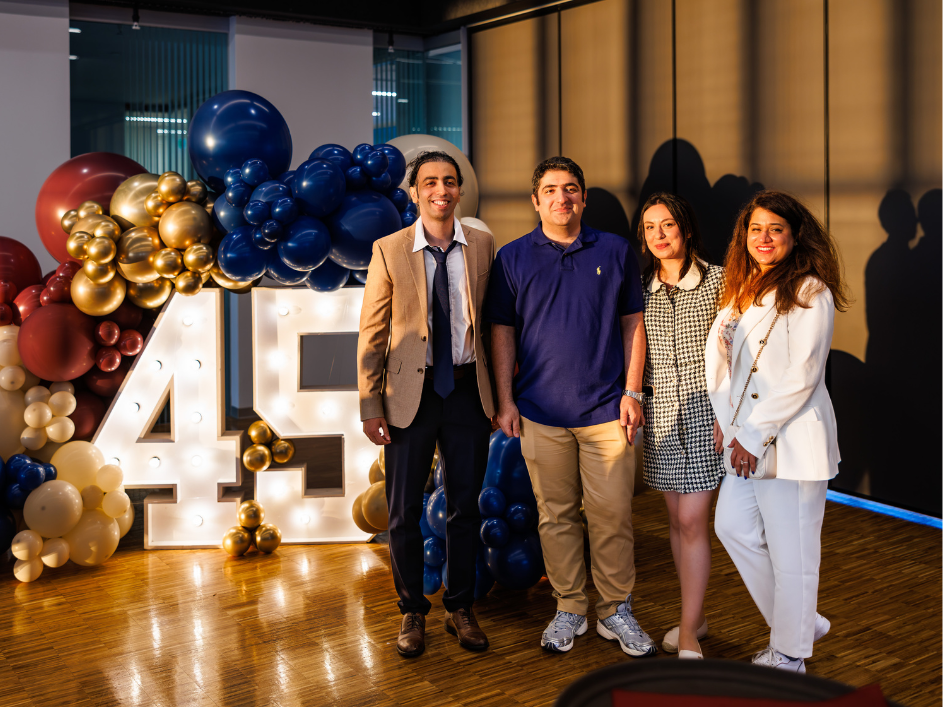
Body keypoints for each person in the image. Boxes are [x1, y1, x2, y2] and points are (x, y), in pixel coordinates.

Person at [485, 156, 656, 657]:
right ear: (536, 200)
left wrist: (632, 390)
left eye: (572, 189)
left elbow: (633, 324)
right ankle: (569, 608)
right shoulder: (513, 258)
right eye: (552, 190)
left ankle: (615, 609)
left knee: (612, 518)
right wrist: (505, 400)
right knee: (555, 517)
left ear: (583, 197)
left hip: (607, 411)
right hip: (540, 412)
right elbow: (502, 332)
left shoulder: (616, 250)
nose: (563, 198)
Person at [357, 150, 496, 658]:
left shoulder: (481, 244)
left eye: (450, 181)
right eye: (430, 182)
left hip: (466, 391)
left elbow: (493, 323)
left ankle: (460, 606)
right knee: (403, 511)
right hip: (406, 397)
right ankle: (412, 611)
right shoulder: (389, 249)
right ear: (413, 192)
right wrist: (370, 403)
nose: (442, 190)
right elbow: (372, 332)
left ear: (459, 190)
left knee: (464, 508)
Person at [707, 190, 849, 673]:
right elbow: (727, 367)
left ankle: (790, 653)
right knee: (732, 526)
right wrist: (727, 423)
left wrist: (751, 433)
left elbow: (802, 375)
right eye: (755, 229)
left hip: (790, 444)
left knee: (795, 554)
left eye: (775, 229)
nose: (763, 238)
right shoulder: (743, 286)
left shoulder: (811, 290)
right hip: (745, 438)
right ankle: (800, 623)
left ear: (795, 235)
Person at [638, 193, 724, 660]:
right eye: (650, 228)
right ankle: (697, 616)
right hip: (662, 418)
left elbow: (739, 356)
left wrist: (727, 417)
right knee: (676, 521)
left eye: (667, 225)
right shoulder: (641, 288)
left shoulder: (720, 282)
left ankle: (689, 632)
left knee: (692, 520)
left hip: (706, 416)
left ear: (686, 228)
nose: (659, 235)